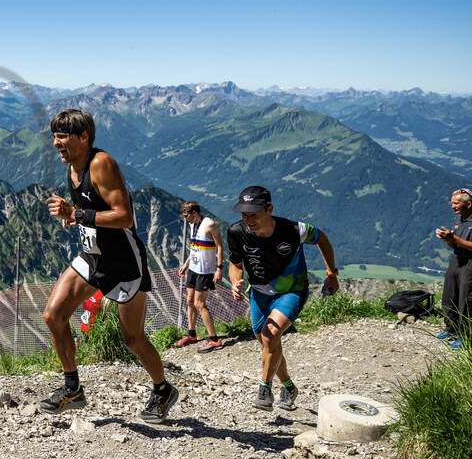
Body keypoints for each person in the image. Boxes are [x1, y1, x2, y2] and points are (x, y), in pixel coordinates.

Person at [40, 108, 179, 423]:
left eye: (62, 137)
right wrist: (73, 214)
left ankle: (163, 389)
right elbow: (91, 207)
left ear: (84, 137)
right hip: (92, 257)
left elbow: (124, 216)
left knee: (132, 340)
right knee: (53, 315)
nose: (56, 144)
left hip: (123, 265)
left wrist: (76, 215)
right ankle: (72, 387)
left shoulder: (102, 164)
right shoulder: (73, 166)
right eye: (54, 137)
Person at [227, 186, 339, 411]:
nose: (248, 219)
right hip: (258, 292)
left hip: (292, 291)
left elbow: (322, 238)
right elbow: (235, 265)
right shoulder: (236, 232)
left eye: (254, 214)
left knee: (270, 337)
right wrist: (236, 281)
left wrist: (331, 274)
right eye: (244, 214)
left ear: (269, 209)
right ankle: (288, 387)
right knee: (268, 344)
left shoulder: (295, 229)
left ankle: (264, 389)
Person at [176, 201, 226, 352]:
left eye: (186, 216)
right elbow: (194, 248)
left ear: (194, 213)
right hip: (193, 268)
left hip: (205, 270)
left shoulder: (209, 224)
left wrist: (219, 269)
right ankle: (192, 335)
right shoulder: (192, 225)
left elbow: (220, 245)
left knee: (199, 304)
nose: (185, 219)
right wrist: (186, 264)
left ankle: (214, 339)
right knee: (190, 300)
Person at [435, 188, 472, 349]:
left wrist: (454, 238)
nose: (452, 207)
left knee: (466, 298)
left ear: (468, 204)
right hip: (456, 259)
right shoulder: (459, 218)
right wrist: (447, 239)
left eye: (456, 203)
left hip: (470, 262)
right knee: (449, 294)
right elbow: (454, 244)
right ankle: (451, 328)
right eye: (452, 203)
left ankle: (466, 336)